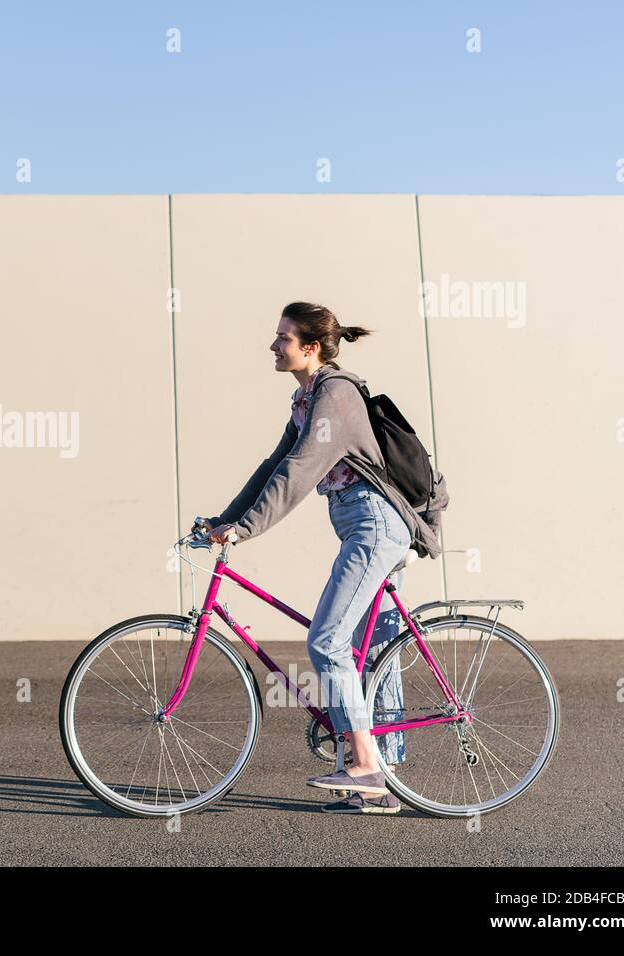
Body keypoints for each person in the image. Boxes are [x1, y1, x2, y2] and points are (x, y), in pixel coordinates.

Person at [203, 302, 416, 815]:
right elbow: (273, 465)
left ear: (311, 347)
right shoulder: (305, 399)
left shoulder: (336, 395)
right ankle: (375, 786)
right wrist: (223, 520)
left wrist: (246, 529)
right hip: (357, 525)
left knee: (326, 641)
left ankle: (365, 765)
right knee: (361, 656)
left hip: (375, 526)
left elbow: (300, 471)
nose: (274, 346)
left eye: (283, 337)